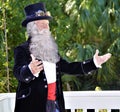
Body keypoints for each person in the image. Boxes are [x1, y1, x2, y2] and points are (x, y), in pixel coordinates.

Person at [13, 2, 111, 112]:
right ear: (32, 28)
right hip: (33, 104)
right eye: (42, 24)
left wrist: (93, 63)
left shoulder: (51, 50)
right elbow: (18, 72)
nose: (46, 27)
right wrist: (29, 70)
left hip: (55, 103)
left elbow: (69, 67)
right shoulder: (22, 49)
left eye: (47, 24)